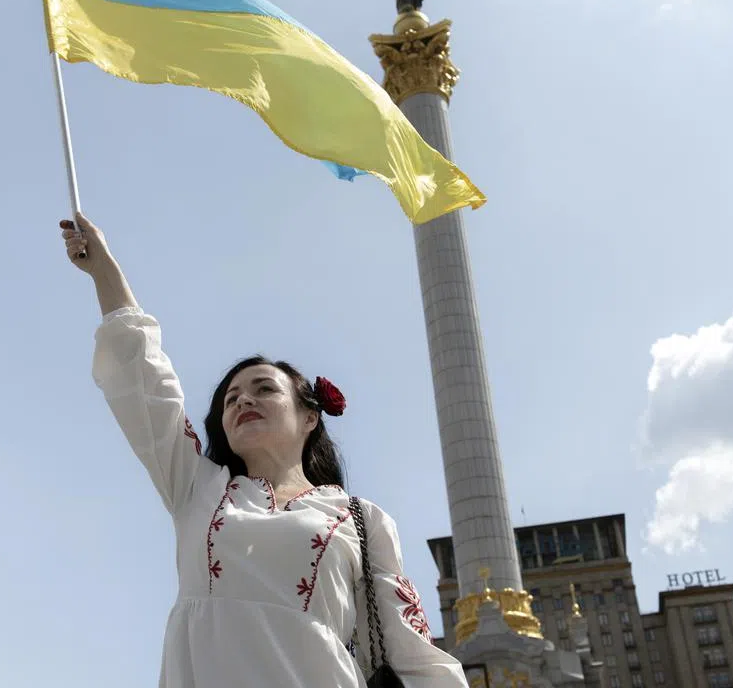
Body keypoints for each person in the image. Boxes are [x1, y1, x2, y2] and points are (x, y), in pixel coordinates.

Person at [61, 212, 468, 687]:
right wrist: (105, 269)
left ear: (310, 416)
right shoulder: (197, 488)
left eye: (263, 390)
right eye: (231, 398)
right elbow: (145, 380)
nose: (244, 400)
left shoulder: (361, 519)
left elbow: (413, 653)